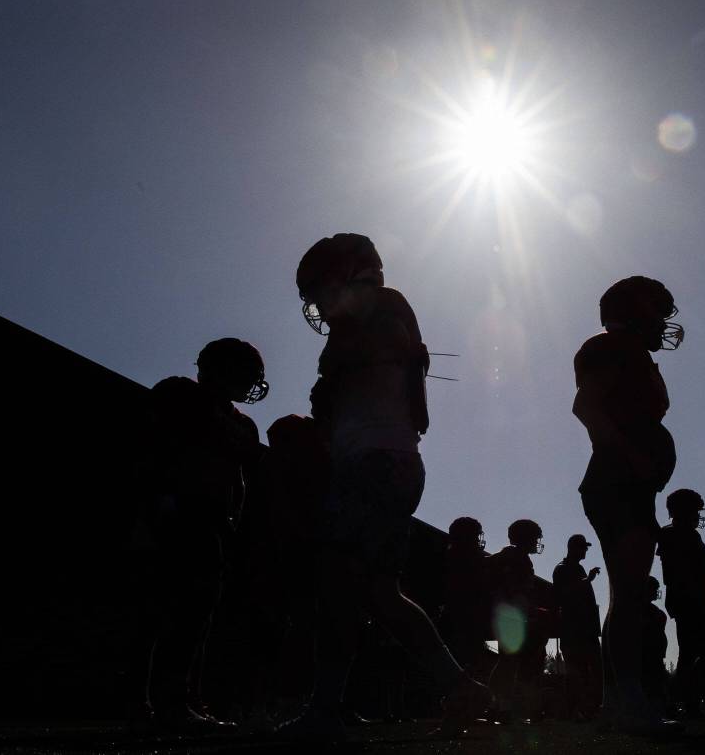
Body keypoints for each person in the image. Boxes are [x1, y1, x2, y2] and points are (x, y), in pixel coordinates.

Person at [279, 233, 489, 744]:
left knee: (340, 584)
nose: (320, 306)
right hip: (386, 460)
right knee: (377, 590)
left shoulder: (381, 306)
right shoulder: (372, 318)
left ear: (346, 275)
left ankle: (327, 706)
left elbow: (382, 351)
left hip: (375, 462)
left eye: (321, 289)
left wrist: (332, 380)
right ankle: (457, 686)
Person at [130, 338, 267, 729]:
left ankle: (183, 697)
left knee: (196, 615)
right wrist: (153, 506)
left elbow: (240, 477)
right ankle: (153, 699)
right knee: (161, 610)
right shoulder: (179, 395)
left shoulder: (243, 424)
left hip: (213, 524)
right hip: (176, 511)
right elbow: (152, 451)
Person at [572, 276, 684, 736]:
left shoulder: (630, 352)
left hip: (629, 483)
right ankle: (627, 699)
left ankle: (619, 700)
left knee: (629, 591)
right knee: (629, 591)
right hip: (618, 482)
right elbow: (586, 406)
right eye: (656, 311)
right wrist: (631, 457)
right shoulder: (610, 346)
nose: (662, 322)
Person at [657, 488, 705, 718]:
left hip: (688, 599)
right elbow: (680, 571)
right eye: (694, 511)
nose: (697, 516)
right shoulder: (679, 534)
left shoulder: (676, 533)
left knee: (691, 652)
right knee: (700, 651)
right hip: (688, 598)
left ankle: (682, 699)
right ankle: (681, 698)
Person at [487, 519, 548, 723]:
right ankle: (500, 705)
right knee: (512, 663)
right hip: (512, 617)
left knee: (508, 662)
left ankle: (497, 704)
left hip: (506, 615)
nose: (537, 542)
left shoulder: (508, 556)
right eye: (535, 537)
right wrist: (529, 612)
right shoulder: (518, 558)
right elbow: (515, 590)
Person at [552, 534, 602, 720]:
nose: (585, 551)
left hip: (585, 629)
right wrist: (587, 580)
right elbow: (564, 595)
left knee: (591, 670)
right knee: (576, 671)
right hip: (573, 629)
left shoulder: (577, 568)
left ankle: (588, 709)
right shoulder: (562, 569)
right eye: (582, 547)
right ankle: (572, 710)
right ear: (573, 548)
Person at [441, 517, 491, 674]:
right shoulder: (466, 560)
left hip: (457, 620)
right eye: (475, 536)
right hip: (464, 622)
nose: (478, 540)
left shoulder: (449, 556)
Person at [642, 576, 669, 720]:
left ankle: (658, 708)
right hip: (648, 652)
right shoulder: (643, 610)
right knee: (652, 681)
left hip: (655, 651)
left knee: (656, 680)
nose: (656, 592)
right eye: (654, 589)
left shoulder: (654, 610)